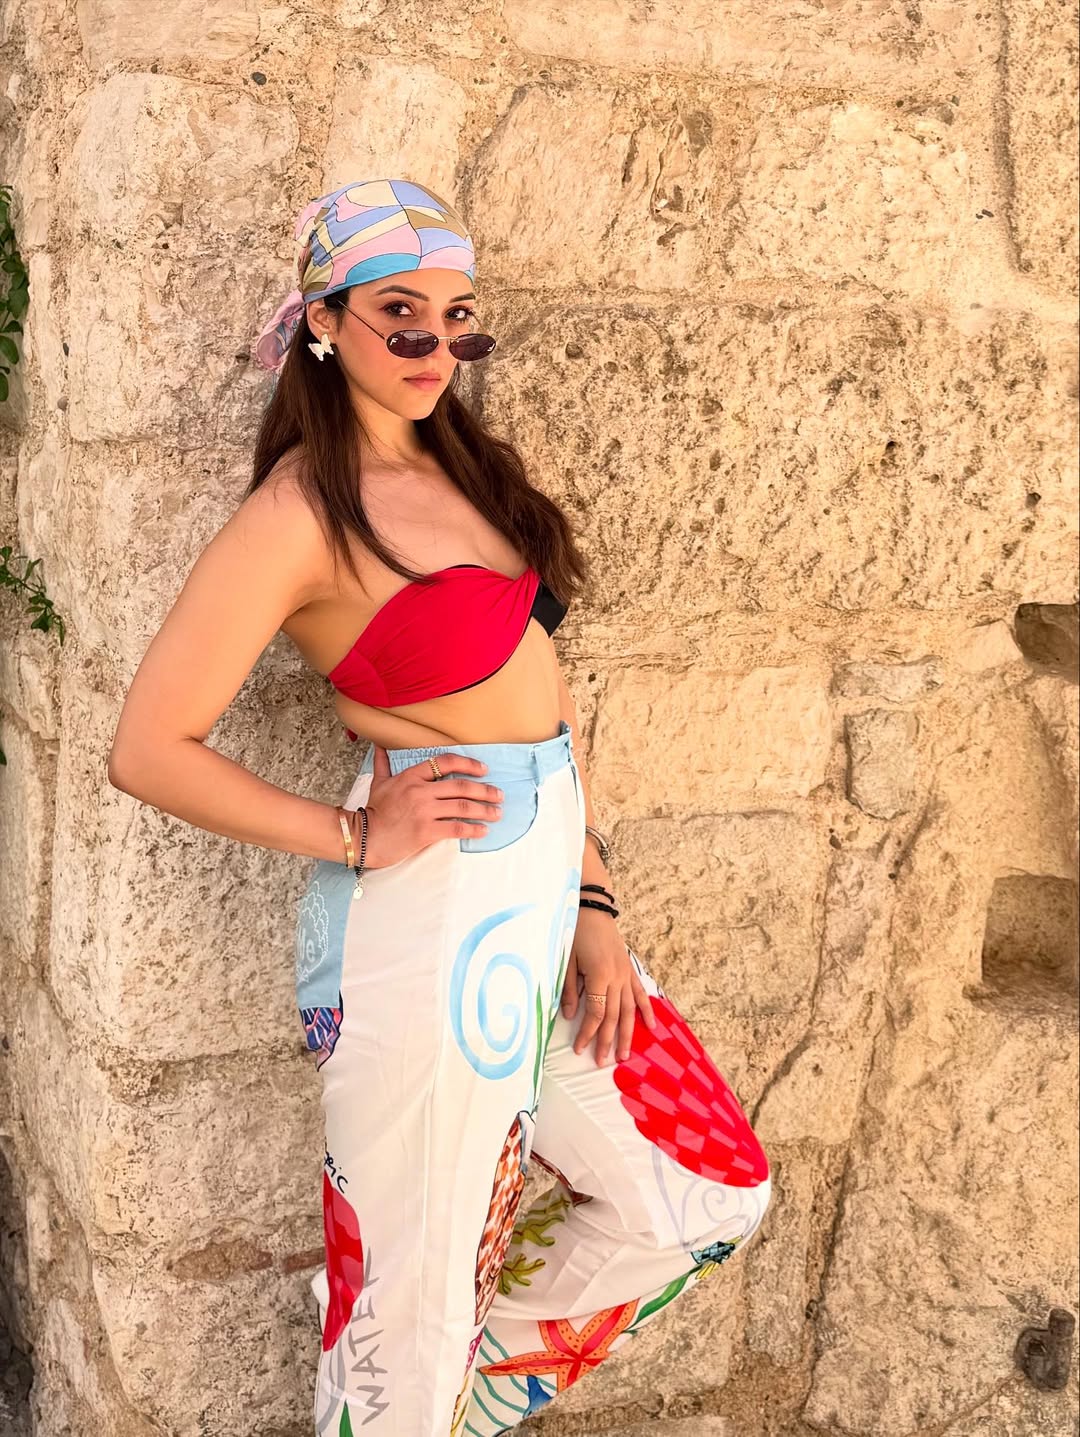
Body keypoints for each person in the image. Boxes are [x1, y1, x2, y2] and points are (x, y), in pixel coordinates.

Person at [107, 177, 773, 1436]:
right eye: (399, 314)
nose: (433, 345)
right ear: (323, 322)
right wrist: (356, 834)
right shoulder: (299, 514)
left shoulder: (468, 471)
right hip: (430, 925)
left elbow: (546, 715)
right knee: (411, 1315)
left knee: (701, 1195)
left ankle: (433, 1404)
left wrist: (592, 901)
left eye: (456, 317)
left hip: (544, 895)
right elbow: (147, 748)